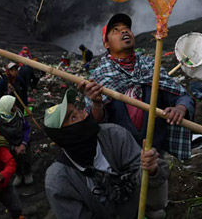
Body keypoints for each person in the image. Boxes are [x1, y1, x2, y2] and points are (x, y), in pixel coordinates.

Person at [78, 13, 195, 160]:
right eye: (115, 30)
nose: (124, 31)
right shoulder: (99, 78)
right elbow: (95, 123)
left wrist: (180, 108)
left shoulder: (151, 67)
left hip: (156, 157)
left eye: (127, 28)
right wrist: (96, 103)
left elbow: (182, 97)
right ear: (106, 44)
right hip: (121, 160)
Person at [44, 89, 169, 219]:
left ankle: (148, 210)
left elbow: (140, 171)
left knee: (154, 179)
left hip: (134, 206)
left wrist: (151, 169)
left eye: (79, 110)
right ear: (65, 137)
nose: (85, 115)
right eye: (73, 117)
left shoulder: (114, 135)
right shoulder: (58, 180)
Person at [0, 96, 32, 186]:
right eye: (13, 106)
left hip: (22, 144)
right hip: (8, 147)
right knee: (13, 161)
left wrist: (23, 143)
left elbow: (26, 128)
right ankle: (19, 174)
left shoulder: (18, 114)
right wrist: (13, 147)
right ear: (6, 108)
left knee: (26, 158)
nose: (16, 108)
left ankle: (27, 172)